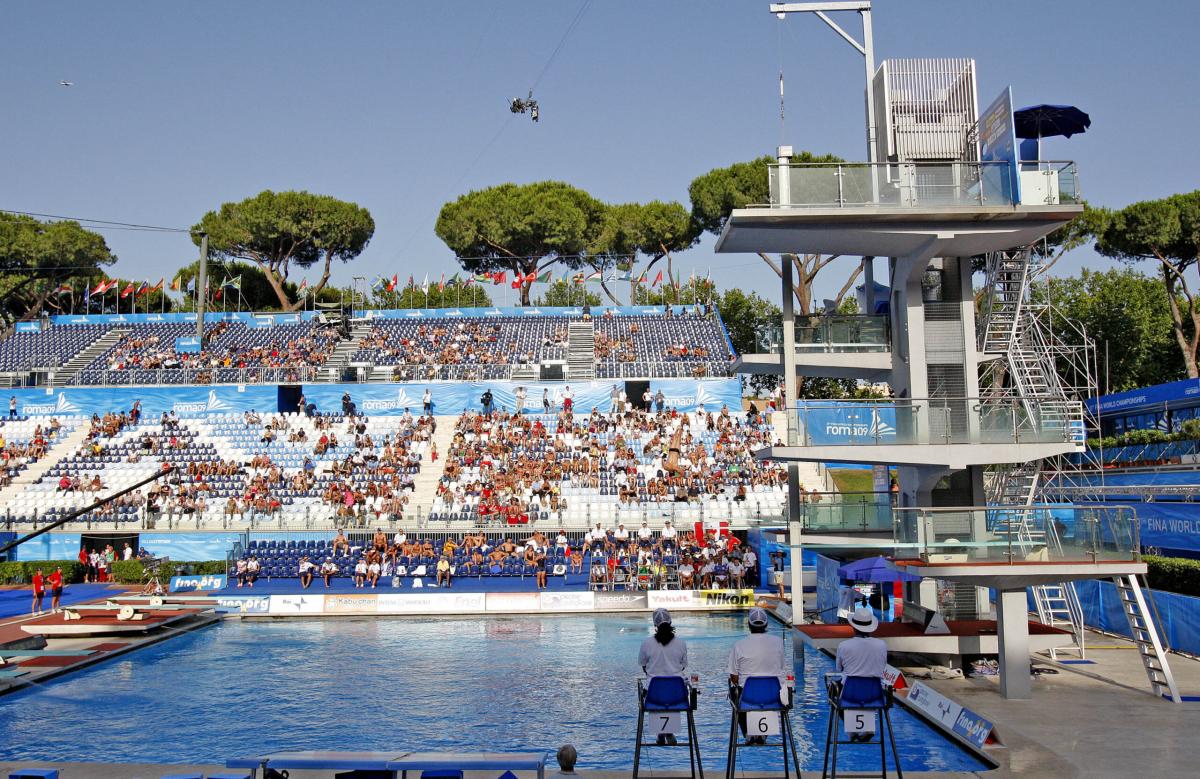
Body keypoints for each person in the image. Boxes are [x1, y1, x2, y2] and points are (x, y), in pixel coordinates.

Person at [727, 607, 788, 745]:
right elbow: (781, 668)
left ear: (748, 625)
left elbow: (734, 677)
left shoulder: (739, 645)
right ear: (766, 625)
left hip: (748, 698)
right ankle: (762, 734)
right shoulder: (778, 643)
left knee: (735, 692)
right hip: (774, 697)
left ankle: (749, 733)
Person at [835, 607, 889, 742]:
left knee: (834, 690)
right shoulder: (882, 645)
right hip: (875, 694)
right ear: (871, 627)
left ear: (853, 627)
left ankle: (853, 732)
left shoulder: (844, 645)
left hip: (850, 693)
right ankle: (867, 728)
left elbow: (839, 669)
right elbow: (882, 667)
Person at [638, 608, 690, 745]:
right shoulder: (681, 643)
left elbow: (644, 667)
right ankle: (666, 732)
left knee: (656, 691)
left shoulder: (646, 644)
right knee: (668, 691)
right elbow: (683, 666)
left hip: (654, 695)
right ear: (671, 621)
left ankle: (662, 732)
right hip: (677, 696)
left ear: (655, 625)